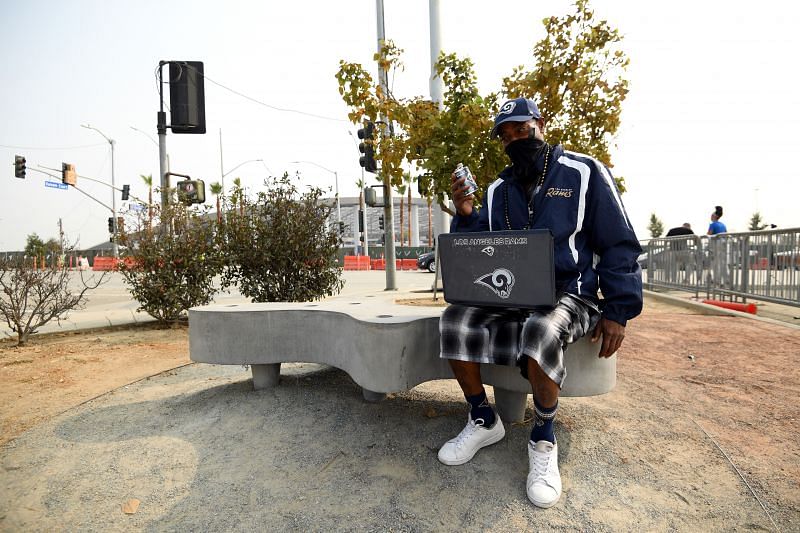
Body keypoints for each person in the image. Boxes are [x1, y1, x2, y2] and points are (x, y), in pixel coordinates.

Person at [438, 97, 643, 509]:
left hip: (572, 293)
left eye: (521, 128)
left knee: (541, 329)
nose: (515, 137)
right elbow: (485, 243)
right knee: (454, 320)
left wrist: (619, 310)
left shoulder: (584, 172)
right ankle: (483, 418)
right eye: (506, 134)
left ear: (540, 124)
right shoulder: (498, 190)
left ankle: (544, 437)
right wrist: (464, 214)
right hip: (512, 294)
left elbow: (618, 241)